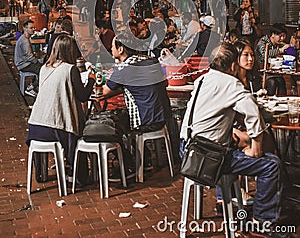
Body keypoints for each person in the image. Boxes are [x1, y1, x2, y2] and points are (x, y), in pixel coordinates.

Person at [181, 43, 289, 238]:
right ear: (233, 66)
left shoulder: (202, 80)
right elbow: (253, 115)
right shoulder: (230, 84)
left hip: (187, 150)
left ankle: (230, 200)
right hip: (208, 159)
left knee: (240, 148)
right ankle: (262, 222)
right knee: (271, 164)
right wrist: (256, 147)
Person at [102, 31, 179, 165]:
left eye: (113, 46)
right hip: (164, 116)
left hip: (143, 122)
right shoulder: (151, 61)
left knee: (113, 125)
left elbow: (104, 92)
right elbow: (164, 83)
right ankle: (146, 157)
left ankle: (129, 164)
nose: (110, 49)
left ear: (121, 49)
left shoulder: (124, 68)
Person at [26, 34, 95, 184]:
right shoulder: (70, 69)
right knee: (79, 134)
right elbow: (83, 96)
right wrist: (91, 81)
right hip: (54, 127)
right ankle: (78, 176)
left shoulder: (45, 68)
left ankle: (41, 174)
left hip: (35, 125)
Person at [255, 24, 290, 96]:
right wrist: (281, 50)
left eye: (284, 36)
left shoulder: (277, 44)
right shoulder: (263, 41)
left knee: (281, 81)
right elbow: (265, 54)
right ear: (273, 35)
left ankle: (282, 103)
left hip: (272, 71)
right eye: (280, 36)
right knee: (272, 82)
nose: (282, 38)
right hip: (261, 71)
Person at [14, 20, 42, 97]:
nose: (33, 29)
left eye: (34, 28)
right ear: (25, 29)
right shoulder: (25, 41)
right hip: (23, 65)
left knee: (41, 65)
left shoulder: (25, 38)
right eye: (31, 28)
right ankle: (30, 88)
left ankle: (34, 85)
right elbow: (30, 57)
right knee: (43, 70)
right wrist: (37, 61)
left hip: (24, 62)